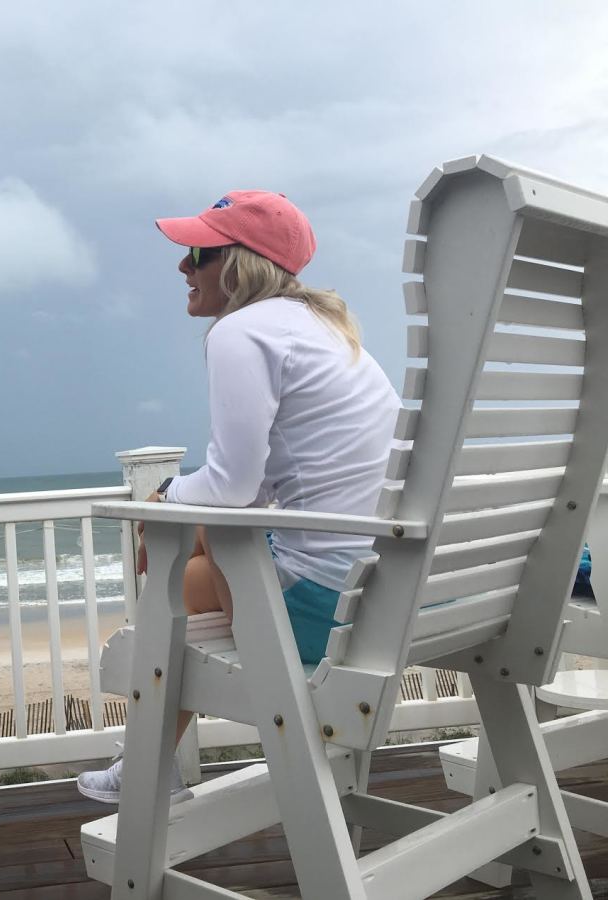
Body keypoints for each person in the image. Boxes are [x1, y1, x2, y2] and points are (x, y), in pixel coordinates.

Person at [77, 191, 401, 804]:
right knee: (192, 576)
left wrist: (168, 498)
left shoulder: (242, 331)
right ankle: (145, 765)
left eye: (196, 253)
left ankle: (145, 768)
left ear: (239, 264)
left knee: (176, 584)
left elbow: (230, 486)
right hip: (392, 601)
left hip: (333, 615)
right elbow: (263, 487)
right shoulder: (325, 331)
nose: (183, 268)